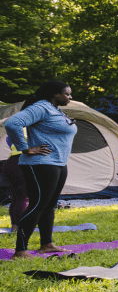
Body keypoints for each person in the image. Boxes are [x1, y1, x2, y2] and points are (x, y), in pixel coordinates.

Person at [4, 80, 77, 259]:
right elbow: (13, 123)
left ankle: (46, 244)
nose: (70, 97)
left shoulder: (55, 110)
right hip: (41, 163)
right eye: (66, 94)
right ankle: (20, 251)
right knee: (37, 204)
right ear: (54, 94)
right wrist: (25, 148)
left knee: (49, 205)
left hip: (58, 163)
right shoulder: (41, 107)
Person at [2, 129, 28, 238]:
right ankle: (19, 227)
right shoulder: (30, 128)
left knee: (16, 198)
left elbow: (8, 141)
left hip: (10, 162)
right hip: (21, 163)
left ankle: (15, 226)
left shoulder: (16, 128)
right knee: (22, 197)